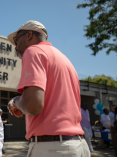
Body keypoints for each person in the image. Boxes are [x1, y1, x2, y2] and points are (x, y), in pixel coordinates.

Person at [6, 20, 90, 157]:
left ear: (28, 35)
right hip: (78, 145)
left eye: (16, 40)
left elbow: (33, 106)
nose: (15, 47)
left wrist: (15, 102)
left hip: (52, 148)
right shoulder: (64, 59)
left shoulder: (32, 51)